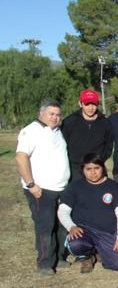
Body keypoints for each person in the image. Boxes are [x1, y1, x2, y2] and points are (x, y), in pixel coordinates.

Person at [15, 101, 71, 274]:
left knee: (61, 225)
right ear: (41, 114)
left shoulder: (57, 131)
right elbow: (20, 157)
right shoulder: (31, 131)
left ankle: (59, 257)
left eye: (57, 114)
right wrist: (31, 184)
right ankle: (45, 263)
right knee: (45, 227)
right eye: (51, 114)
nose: (55, 117)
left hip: (61, 188)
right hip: (41, 190)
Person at [57, 154, 118, 273]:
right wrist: (71, 226)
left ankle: (100, 252)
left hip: (107, 231)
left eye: (96, 168)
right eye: (88, 169)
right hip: (84, 230)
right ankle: (86, 257)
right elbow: (63, 211)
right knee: (76, 243)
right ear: (82, 170)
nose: (93, 172)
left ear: (103, 168)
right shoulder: (75, 187)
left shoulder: (114, 187)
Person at [61, 89, 113, 183]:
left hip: (97, 167)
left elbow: (108, 146)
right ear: (80, 103)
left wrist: (99, 160)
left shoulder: (105, 123)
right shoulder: (69, 122)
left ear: (97, 104)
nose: (90, 107)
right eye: (87, 104)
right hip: (75, 170)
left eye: (93, 104)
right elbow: (63, 145)